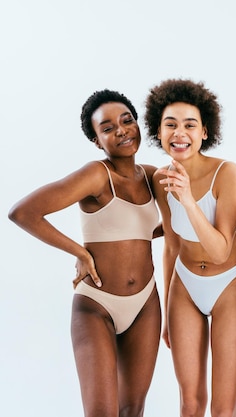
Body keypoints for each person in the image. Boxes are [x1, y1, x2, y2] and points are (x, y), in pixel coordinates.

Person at [8, 89, 162, 417]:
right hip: (97, 306)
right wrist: (79, 251)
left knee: (132, 410)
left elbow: (164, 228)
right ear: (96, 141)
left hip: (146, 304)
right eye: (107, 128)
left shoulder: (150, 176)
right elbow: (23, 213)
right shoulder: (96, 174)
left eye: (127, 120)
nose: (121, 130)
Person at [144, 79, 236, 417]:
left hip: (229, 285)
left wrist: (188, 199)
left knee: (223, 407)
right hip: (184, 287)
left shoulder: (227, 173)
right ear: (158, 132)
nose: (180, 133)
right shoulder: (161, 180)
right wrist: (165, 315)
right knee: (190, 403)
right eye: (170, 124)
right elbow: (171, 246)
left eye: (190, 125)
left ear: (205, 132)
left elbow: (221, 249)